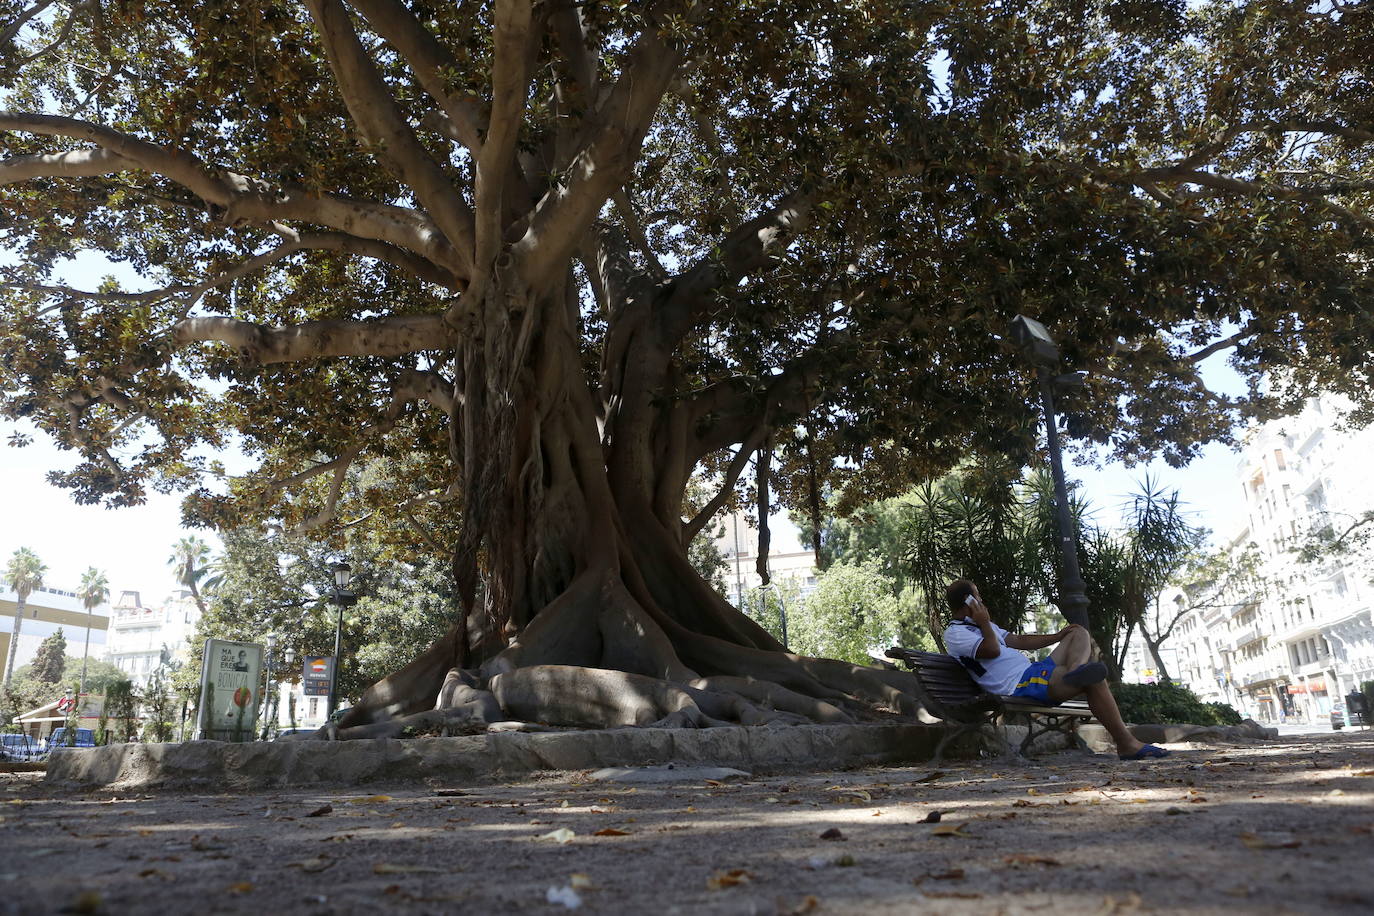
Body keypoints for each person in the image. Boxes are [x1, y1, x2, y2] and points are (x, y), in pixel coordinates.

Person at [942, 578, 1168, 761]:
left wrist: (1058, 636)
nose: (982, 600)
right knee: (1093, 680)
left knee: (1077, 632)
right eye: (977, 596)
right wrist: (983, 623)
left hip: (1034, 671)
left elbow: (1018, 640)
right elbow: (991, 650)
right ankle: (1126, 744)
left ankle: (1076, 671)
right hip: (1020, 684)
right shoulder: (956, 633)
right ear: (969, 602)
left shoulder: (986, 626)